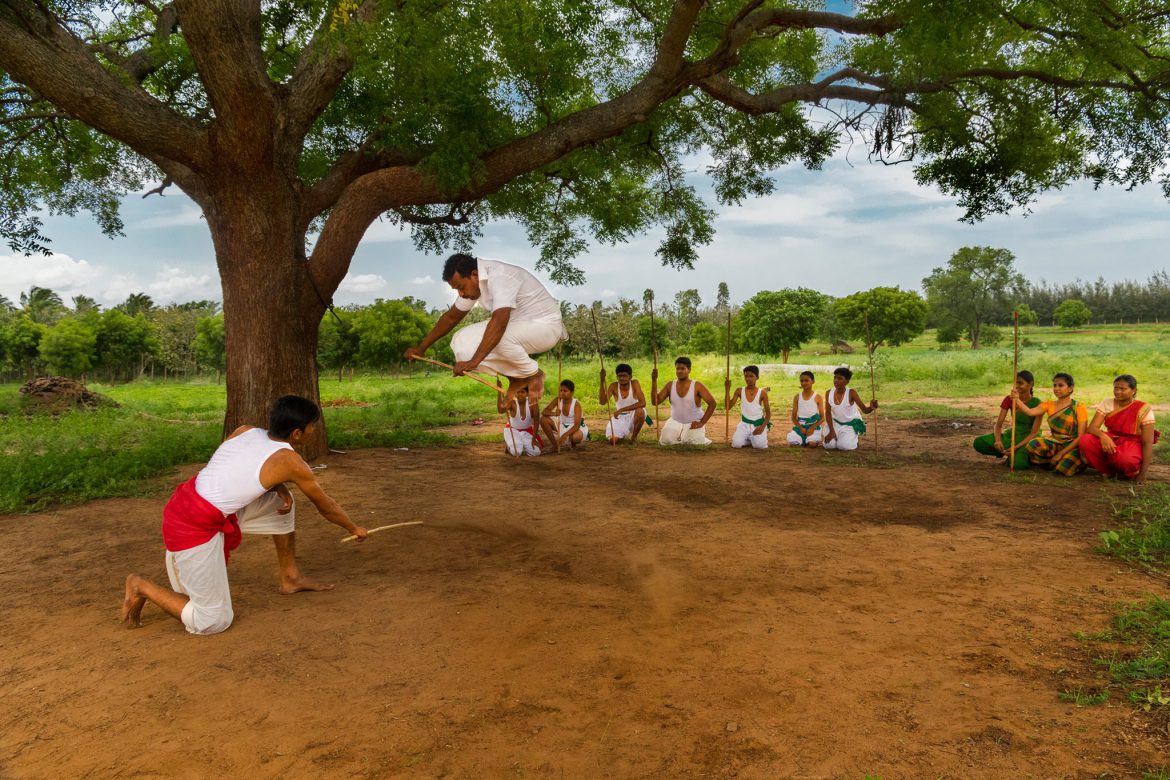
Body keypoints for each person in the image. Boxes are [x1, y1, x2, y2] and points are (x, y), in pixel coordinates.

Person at [120, 396, 368, 635]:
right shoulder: (291, 462)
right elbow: (326, 506)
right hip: (191, 523)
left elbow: (234, 471)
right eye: (312, 426)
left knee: (279, 506)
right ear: (297, 434)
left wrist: (279, 487)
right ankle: (140, 586)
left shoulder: (245, 430)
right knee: (212, 621)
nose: (314, 430)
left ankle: (290, 577)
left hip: (191, 503)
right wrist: (353, 528)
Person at [405, 253, 566, 404]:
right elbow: (451, 317)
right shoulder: (474, 287)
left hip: (545, 327)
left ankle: (534, 374)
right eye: (457, 290)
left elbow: (499, 322)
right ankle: (517, 378)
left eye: (461, 287)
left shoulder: (500, 276)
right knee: (461, 343)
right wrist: (421, 348)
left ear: (474, 275)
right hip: (517, 326)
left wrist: (474, 362)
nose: (461, 294)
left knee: (496, 336)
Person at [1078, 374, 1160, 484]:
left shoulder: (1143, 409)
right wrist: (1103, 436)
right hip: (1112, 438)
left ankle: (1133, 471)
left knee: (1125, 459)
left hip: (1132, 442)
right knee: (1086, 440)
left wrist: (1143, 474)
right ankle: (1109, 471)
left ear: (1133, 391)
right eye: (1116, 388)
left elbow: (1147, 442)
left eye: (1123, 389)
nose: (1117, 392)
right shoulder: (1107, 403)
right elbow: (1092, 428)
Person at [1008, 372, 1088, 475]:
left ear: (1070, 388)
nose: (1056, 388)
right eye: (1055, 385)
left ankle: (1064, 461)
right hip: (1056, 443)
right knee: (1033, 445)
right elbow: (1030, 412)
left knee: (1061, 470)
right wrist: (1017, 399)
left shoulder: (1079, 407)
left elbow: (1081, 437)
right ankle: (1051, 461)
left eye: (1060, 385)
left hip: (1073, 446)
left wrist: (1061, 454)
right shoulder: (1049, 405)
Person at [972, 370, 1041, 469]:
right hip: (1013, 435)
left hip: (1028, 439)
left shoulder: (1038, 403)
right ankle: (1007, 452)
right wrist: (998, 440)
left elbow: (1033, 433)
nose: (1017, 386)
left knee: (1018, 465)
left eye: (1020, 383)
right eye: (1015, 383)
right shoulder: (1009, 399)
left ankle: (1017, 454)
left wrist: (1015, 447)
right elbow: (999, 424)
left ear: (1031, 384)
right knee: (979, 442)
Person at [652, 356, 716, 446]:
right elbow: (655, 402)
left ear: (689, 370)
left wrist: (701, 422)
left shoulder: (697, 385)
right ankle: (680, 436)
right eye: (677, 368)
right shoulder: (670, 385)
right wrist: (654, 381)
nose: (679, 371)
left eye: (683, 368)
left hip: (693, 422)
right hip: (675, 421)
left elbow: (712, 403)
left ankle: (685, 436)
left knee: (693, 443)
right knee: (665, 440)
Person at [822, 366, 879, 451]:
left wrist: (871, 407)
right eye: (835, 377)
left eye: (840, 378)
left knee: (844, 446)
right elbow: (827, 413)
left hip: (849, 424)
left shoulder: (851, 393)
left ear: (847, 381)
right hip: (835, 423)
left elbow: (865, 410)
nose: (836, 380)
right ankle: (839, 436)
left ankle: (853, 439)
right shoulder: (829, 393)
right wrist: (831, 431)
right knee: (829, 445)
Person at [600, 363, 648, 444]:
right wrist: (602, 381)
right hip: (620, 417)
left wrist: (621, 409)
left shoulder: (634, 383)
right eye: (619, 376)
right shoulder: (613, 386)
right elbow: (602, 402)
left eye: (624, 376)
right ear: (617, 377)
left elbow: (643, 403)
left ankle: (633, 438)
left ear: (630, 377)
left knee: (640, 411)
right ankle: (621, 433)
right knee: (613, 441)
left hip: (634, 415)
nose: (622, 378)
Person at [729, 365, 771, 449]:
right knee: (736, 444)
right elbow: (728, 407)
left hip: (758, 424)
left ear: (757, 377)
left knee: (760, 446)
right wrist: (727, 389)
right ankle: (749, 438)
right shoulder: (739, 391)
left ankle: (755, 437)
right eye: (746, 376)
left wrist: (762, 427)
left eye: (751, 376)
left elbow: (768, 413)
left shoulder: (762, 393)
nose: (748, 379)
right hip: (744, 424)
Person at [540, 379, 588, 452]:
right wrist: (554, 413)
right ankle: (555, 445)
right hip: (561, 424)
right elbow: (544, 411)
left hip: (574, 427)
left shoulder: (576, 405)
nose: (562, 393)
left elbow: (577, 425)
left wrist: (565, 435)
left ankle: (573, 444)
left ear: (572, 392)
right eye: (561, 390)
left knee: (576, 437)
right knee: (543, 419)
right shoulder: (558, 400)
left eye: (565, 391)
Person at [498, 382, 542, 456]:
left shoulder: (533, 404)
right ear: (515, 394)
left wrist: (534, 439)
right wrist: (499, 391)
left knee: (536, 452)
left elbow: (537, 421)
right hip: (512, 430)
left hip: (527, 432)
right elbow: (500, 410)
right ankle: (511, 446)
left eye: (522, 392)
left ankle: (520, 443)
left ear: (527, 394)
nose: (520, 394)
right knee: (517, 452)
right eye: (518, 392)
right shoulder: (512, 403)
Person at [787, 371, 825, 447]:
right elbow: (794, 418)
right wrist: (801, 428)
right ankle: (802, 439)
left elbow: (822, 418)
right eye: (801, 381)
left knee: (812, 444)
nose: (804, 383)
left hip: (813, 426)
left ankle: (812, 439)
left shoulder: (818, 397)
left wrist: (812, 428)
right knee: (793, 443)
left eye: (806, 380)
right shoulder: (797, 397)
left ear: (813, 381)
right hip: (801, 426)